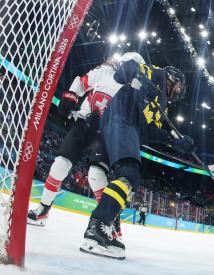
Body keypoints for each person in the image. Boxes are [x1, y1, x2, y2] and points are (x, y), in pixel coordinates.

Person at [80, 59, 191, 260]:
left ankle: (100, 228)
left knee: (128, 176)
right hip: (121, 119)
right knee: (129, 174)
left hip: (127, 127)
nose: (179, 90)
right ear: (172, 77)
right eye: (179, 85)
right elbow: (123, 71)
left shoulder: (162, 107)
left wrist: (173, 141)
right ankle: (97, 228)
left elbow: (148, 132)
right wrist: (139, 78)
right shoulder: (155, 73)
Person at [27, 53, 146, 238]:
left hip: (106, 133)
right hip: (83, 123)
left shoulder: (134, 92)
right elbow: (82, 83)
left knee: (96, 175)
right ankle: (43, 209)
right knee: (60, 164)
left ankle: (108, 222)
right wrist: (71, 96)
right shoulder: (105, 71)